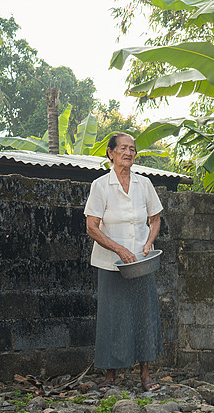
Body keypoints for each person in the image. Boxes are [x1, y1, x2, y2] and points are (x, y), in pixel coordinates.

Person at [84, 133, 163, 392]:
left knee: (145, 314)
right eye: (123, 148)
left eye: (132, 149)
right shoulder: (101, 186)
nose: (128, 153)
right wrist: (119, 249)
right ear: (110, 153)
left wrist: (148, 242)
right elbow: (92, 227)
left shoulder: (144, 184)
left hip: (141, 262)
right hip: (111, 263)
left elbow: (155, 218)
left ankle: (145, 374)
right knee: (112, 317)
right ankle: (110, 376)